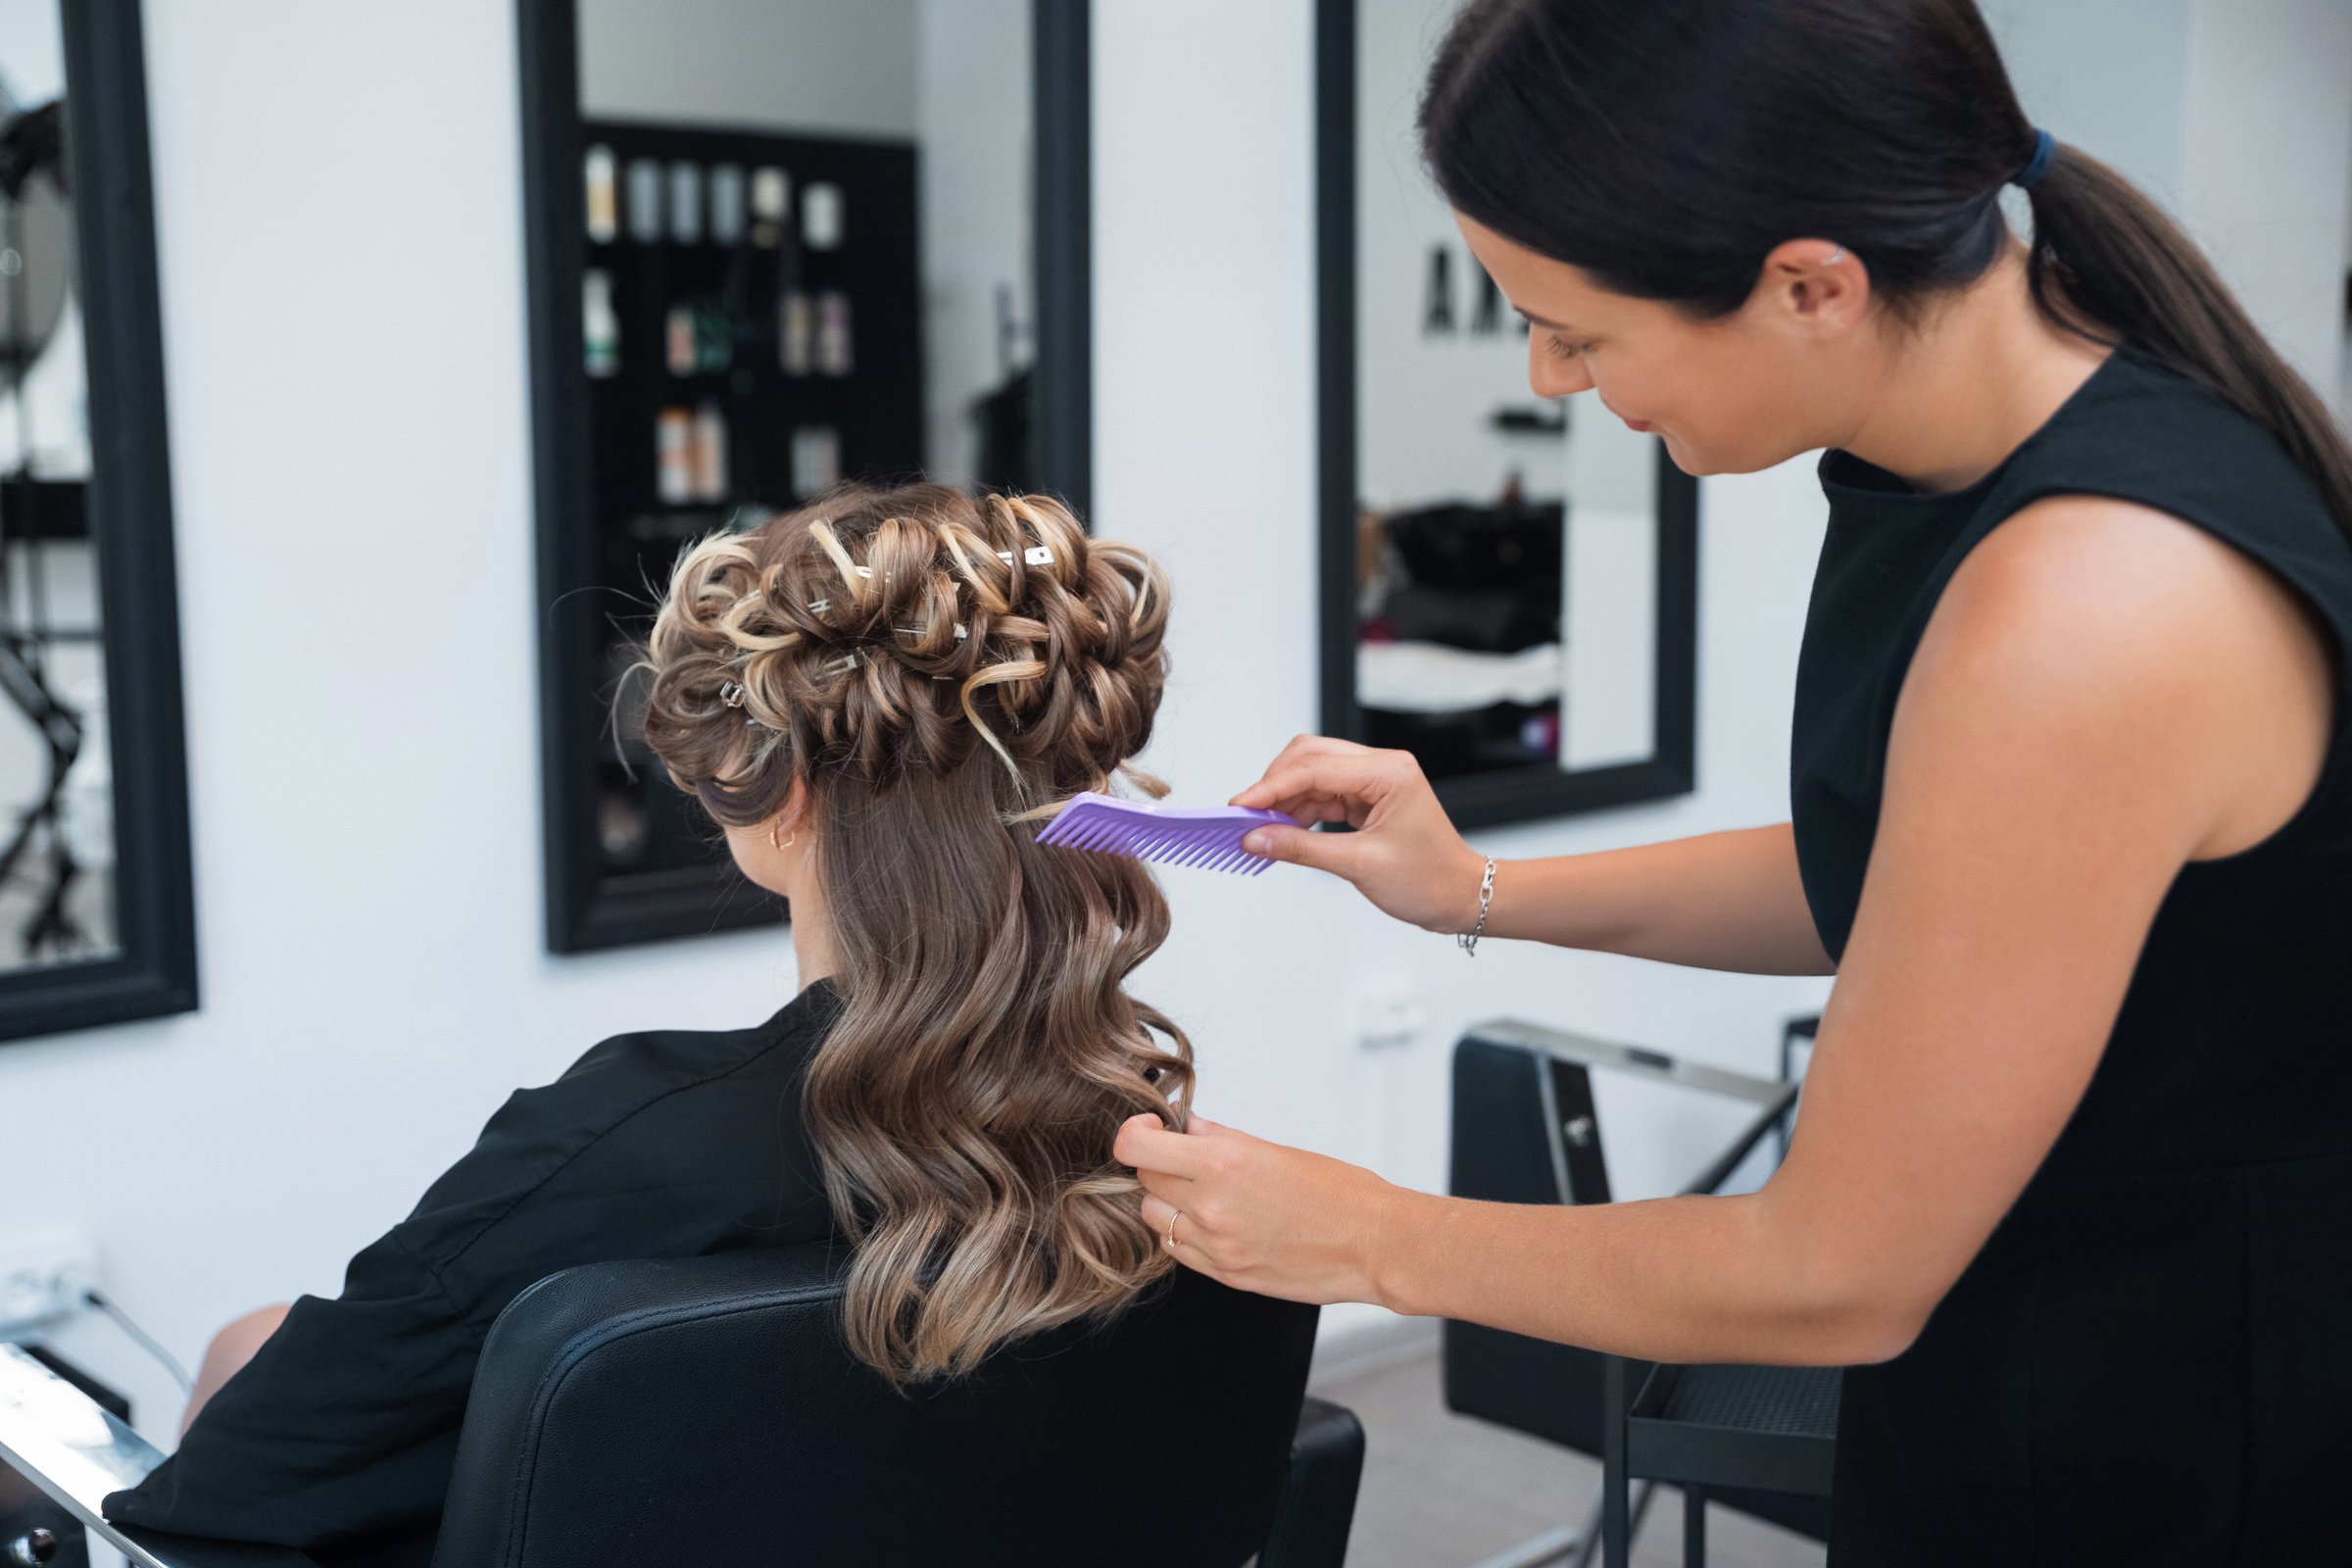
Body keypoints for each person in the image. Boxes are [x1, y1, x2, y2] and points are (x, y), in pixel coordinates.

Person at [1116, 1, 2352, 1560]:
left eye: (1578, 327)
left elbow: (1837, 1265)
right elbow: (1921, 883)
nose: (1549, 378)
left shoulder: (2092, 602)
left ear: (1812, 285)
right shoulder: (1954, 474)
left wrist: (1371, 1239)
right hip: (2022, 1360)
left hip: (2157, 1434)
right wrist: (1476, 890)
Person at [105, 486, 1197, 1566]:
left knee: (240, 1349)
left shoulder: (616, 1147)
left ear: (776, 790)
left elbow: (206, 1507)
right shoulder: (1150, 1141)